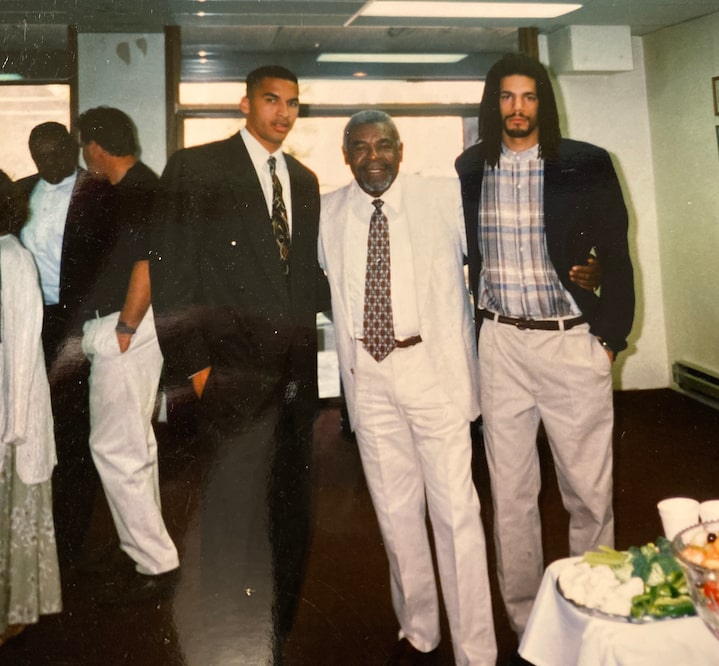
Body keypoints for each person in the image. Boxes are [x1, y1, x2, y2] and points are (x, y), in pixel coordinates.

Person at [150, 65, 328, 662]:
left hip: (293, 380)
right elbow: (173, 275)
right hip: (226, 373)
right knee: (230, 514)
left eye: (293, 104)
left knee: (288, 511)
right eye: (271, 100)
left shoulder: (303, 180)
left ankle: (275, 632)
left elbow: (300, 280)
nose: (283, 113)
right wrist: (194, 368)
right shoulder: (198, 168)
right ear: (245, 104)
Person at [455, 53, 635, 637]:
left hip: (569, 342)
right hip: (501, 343)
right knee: (510, 493)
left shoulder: (584, 163)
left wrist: (611, 337)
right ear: (493, 104)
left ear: (543, 103)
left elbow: (618, 253)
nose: (517, 109)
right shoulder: (469, 167)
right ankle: (527, 617)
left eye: (528, 97)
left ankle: (591, 609)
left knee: (587, 491)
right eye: (506, 97)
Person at [319, 110, 497, 666]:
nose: (374, 157)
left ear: (402, 149)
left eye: (385, 145)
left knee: (455, 513)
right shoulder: (326, 212)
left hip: (433, 372)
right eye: (360, 147)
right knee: (395, 513)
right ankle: (419, 630)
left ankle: (476, 651)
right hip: (367, 378)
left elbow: (498, 259)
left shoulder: (445, 198)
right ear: (345, 154)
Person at [74, 106, 179, 604]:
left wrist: (124, 328)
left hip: (130, 326)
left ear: (94, 146)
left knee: (116, 449)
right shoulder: (137, 186)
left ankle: (154, 561)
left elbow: (149, 263)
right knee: (135, 445)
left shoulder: (138, 189)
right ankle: (146, 548)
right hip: (133, 326)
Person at [16, 122, 114, 568]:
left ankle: (69, 540)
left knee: (73, 431)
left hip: (75, 323)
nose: (46, 162)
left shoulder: (103, 192)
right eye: (38, 154)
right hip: (26, 322)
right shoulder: (17, 193)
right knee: (29, 422)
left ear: (73, 148)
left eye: (55, 152)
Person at [0, 171, 62, 646]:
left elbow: (22, 345)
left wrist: (16, 425)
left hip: (8, 397)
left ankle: (12, 608)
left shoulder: (13, 258)